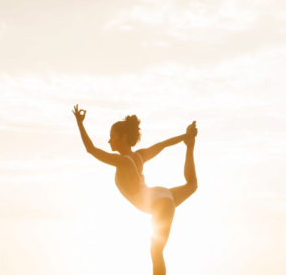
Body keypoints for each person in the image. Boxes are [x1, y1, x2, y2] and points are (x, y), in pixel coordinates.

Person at [73, 104, 198, 275]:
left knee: (156, 251)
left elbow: (91, 149)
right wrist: (186, 136)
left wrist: (80, 123)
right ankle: (190, 146)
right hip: (160, 195)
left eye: (112, 136)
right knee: (192, 185)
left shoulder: (122, 162)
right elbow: (162, 144)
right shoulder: (139, 156)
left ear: (123, 137)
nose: (109, 141)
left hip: (159, 202)